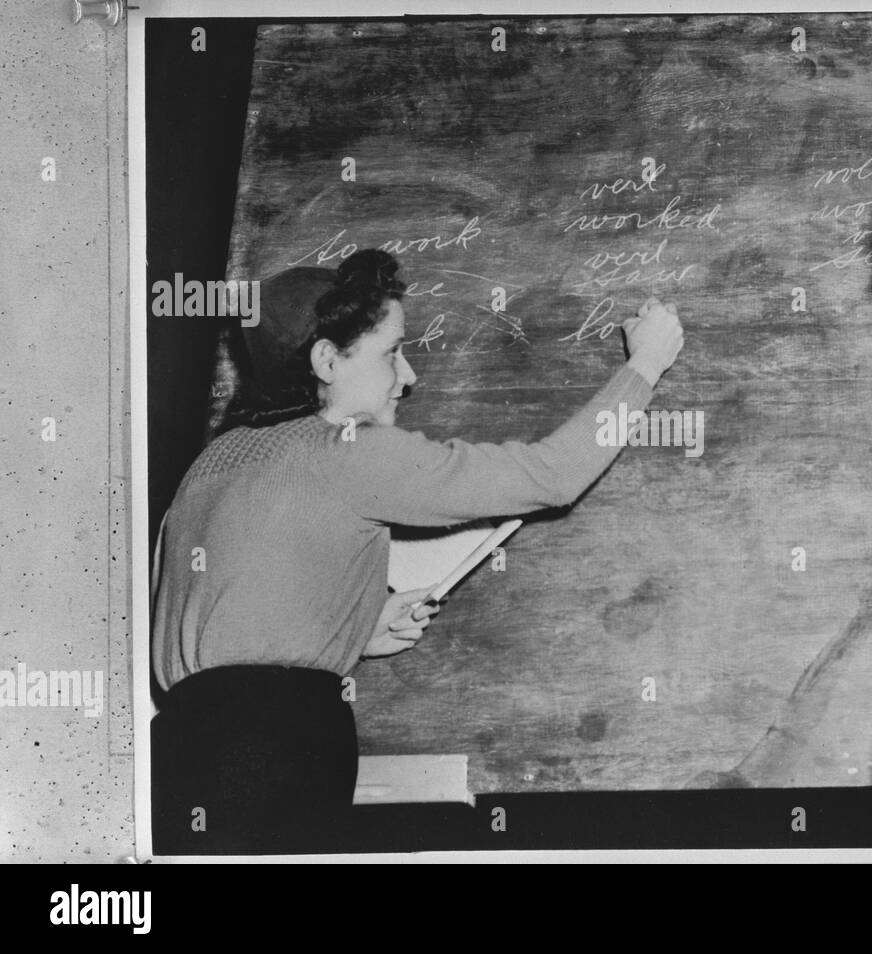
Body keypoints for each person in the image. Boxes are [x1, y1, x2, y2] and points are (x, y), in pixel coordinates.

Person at [150, 249, 683, 854]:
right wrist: (645, 363)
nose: (408, 377)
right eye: (391, 352)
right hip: (279, 749)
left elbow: (225, 620)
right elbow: (555, 475)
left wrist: (349, 629)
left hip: (180, 757)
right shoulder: (349, 450)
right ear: (327, 360)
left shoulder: (210, 464)